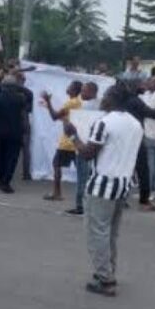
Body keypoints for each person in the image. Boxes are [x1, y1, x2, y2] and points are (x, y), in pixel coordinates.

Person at [63, 84, 143, 297]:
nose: (102, 99)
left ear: (113, 99)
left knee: (97, 232)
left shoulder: (104, 122)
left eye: (106, 96)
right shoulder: (135, 124)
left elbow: (88, 153)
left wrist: (73, 136)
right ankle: (109, 271)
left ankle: (105, 279)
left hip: (102, 184)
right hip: (122, 184)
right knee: (110, 233)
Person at [119, 79, 155, 212]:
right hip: (136, 138)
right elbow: (154, 114)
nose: (145, 86)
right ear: (134, 86)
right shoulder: (135, 101)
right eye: (142, 84)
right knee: (143, 170)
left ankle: (121, 198)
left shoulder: (124, 101)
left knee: (125, 169)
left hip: (125, 137)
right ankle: (144, 201)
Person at [41, 81, 84, 201]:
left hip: (67, 142)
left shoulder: (70, 103)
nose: (67, 88)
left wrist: (48, 102)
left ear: (74, 90)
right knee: (81, 169)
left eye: (70, 86)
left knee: (56, 165)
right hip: (76, 141)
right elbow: (65, 118)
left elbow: (54, 117)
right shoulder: (78, 103)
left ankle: (57, 193)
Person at [0, 74, 29, 193]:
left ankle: (1, 181)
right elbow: (24, 116)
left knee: (1, 157)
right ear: (15, 86)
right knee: (12, 158)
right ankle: (6, 182)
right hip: (15, 132)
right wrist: (25, 130)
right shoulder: (20, 98)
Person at [67, 82, 100, 216]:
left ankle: (80, 205)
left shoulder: (86, 107)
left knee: (82, 177)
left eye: (84, 91)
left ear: (92, 92)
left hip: (83, 145)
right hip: (95, 146)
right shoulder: (100, 105)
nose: (82, 94)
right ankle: (90, 204)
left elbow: (78, 126)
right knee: (91, 176)